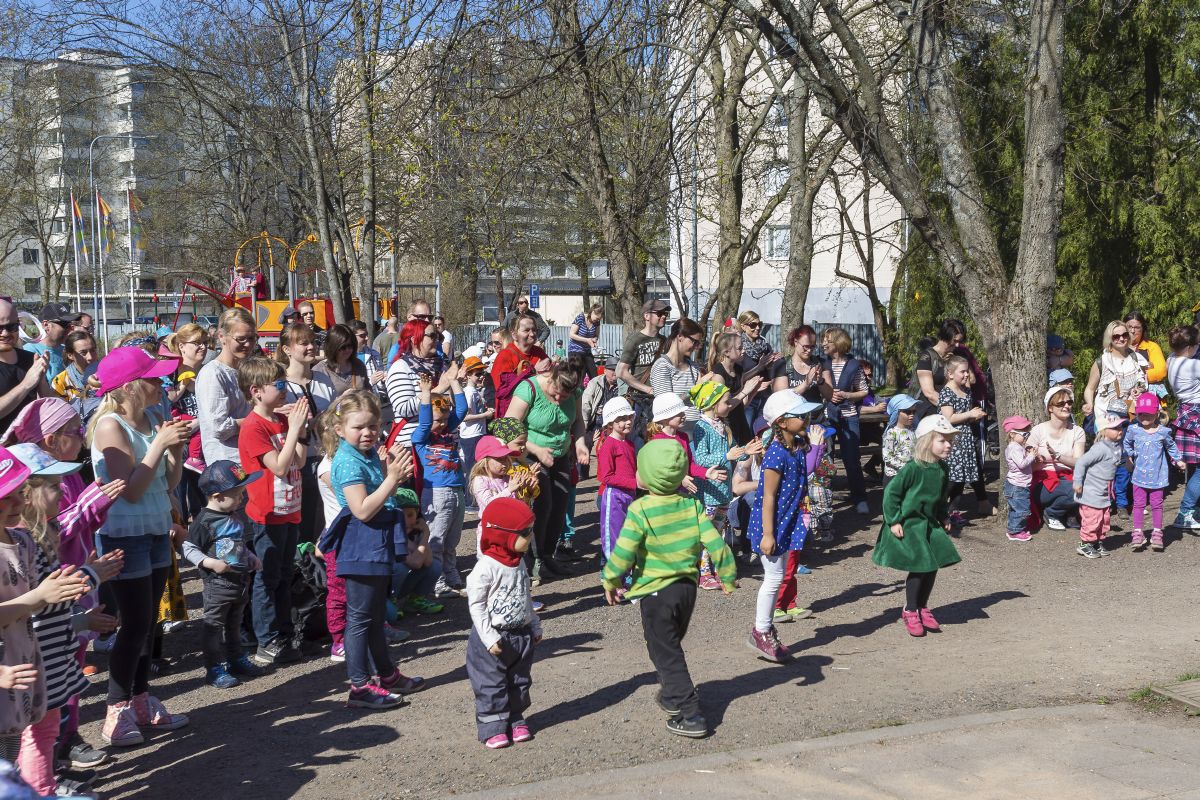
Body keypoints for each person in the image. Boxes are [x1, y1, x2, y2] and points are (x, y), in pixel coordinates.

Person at [88, 347, 191, 747]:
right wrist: (158, 444)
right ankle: (115, 712)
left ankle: (142, 700)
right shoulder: (109, 427)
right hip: (124, 534)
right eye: (153, 378)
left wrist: (175, 450)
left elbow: (166, 483)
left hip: (154, 529)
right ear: (129, 387)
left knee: (149, 624)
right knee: (131, 626)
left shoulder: (152, 418)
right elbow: (129, 492)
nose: (161, 384)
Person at [601, 438, 736, 739]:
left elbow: (623, 551)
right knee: (665, 645)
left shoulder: (640, 509)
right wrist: (727, 576)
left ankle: (690, 713)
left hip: (656, 593)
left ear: (647, 476)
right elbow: (716, 543)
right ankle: (672, 695)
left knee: (667, 653)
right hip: (686, 591)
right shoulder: (692, 506)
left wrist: (610, 579)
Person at [11, 444, 120, 798]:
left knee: (45, 731)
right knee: (37, 733)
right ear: (26, 495)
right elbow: (38, 603)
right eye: (55, 486)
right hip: (34, 663)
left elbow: (44, 613)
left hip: (49, 659)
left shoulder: (34, 539)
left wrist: (81, 622)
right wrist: (91, 574)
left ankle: (46, 783)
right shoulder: (21, 545)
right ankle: (40, 790)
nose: (63, 493)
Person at [320, 390, 426, 709]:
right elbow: (362, 509)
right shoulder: (347, 461)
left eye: (372, 426)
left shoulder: (364, 455)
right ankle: (360, 686)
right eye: (358, 427)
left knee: (375, 615)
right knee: (360, 619)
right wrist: (392, 478)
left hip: (374, 542)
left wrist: (388, 470)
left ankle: (387, 675)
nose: (367, 432)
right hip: (360, 544)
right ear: (339, 429)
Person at [0, 447, 93, 767]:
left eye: (17, 492)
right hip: (6, 675)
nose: (17, 503)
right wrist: (38, 597)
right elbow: (36, 600)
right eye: (5, 497)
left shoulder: (21, 542)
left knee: (11, 759)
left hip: (23, 673)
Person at [237, 356, 307, 666]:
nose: (284, 390)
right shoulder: (253, 427)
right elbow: (279, 466)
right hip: (266, 513)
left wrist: (299, 428)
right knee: (266, 579)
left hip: (289, 509)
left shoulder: (281, 420)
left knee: (284, 575)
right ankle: (266, 641)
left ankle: (285, 634)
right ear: (256, 391)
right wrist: (292, 430)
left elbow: (299, 460)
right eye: (277, 385)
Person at [746, 391, 823, 662]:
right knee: (774, 578)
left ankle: (764, 628)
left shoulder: (797, 446)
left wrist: (817, 447)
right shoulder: (776, 454)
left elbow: (808, 472)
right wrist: (768, 534)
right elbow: (767, 497)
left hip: (787, 520)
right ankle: (761, 630)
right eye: (798, 415)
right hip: (772, 524)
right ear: (781, 422)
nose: (806, 418)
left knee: (777, 576)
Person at [874, 414, 962, 638]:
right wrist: (893, 520)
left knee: (932, 565)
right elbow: (892, 494)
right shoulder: (913, 468)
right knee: (921, 564)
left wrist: (944, 517)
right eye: (942, 440)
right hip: (910, 523)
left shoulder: (942, 469)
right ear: (926, 441)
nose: (948, 445)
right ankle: (910, 609)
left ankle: (923, 606)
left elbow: (941, 498)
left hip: (929, 523)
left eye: (950, 441)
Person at [181, 461, 267, 688]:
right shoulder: (204, 521)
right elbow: (188, 548)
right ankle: (213, 668)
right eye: (237, 494)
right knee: (213, 626)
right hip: (218, 584)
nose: (242, 498)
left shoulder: (233, 515)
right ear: (217, 496)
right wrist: (210, 562)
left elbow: (235, 542)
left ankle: (236, 659)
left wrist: (249, 556)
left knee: (234, 624)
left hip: (240, 582)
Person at [465, 498, 541, 749]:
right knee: (491, 682)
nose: (530, 536)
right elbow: (476, 605)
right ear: (503, 534)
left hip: (520, 634)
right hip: (494, 637)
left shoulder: (518, 563)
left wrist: (535, 625)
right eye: (525, 532)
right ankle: (493, 726)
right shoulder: (485, 568)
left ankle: (515, 716)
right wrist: (488, 637)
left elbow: (525, 595)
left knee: (519, 679)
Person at [504, 362, 586, 583]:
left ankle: (548, 555)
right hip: (530, 454)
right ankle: (534, 560)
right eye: (557, 393)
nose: (560, 400)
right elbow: (508, 426)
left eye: (565, 396)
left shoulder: (574, 391)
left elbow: (578, 421)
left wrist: (579, 444)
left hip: (559, 456)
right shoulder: (529, 389)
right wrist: (536, 449)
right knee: (542, 505)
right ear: (551, 377)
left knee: (561, 506)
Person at [690, 382, 760, 592]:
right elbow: (700, 458)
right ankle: (704, 574)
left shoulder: (722, 425)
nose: (729, 405)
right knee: (708, 535)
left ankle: (718, 571)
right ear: (711, 403)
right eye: (725, 402)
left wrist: (747, 450)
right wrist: (725, 456)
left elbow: (733, 452)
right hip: (709, 490)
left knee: (719, 533)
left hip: (722, 491)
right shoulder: (702, 427)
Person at [1083, 319, 1147, 518]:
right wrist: (1089, 404)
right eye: (1116, 336)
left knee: (1127, 458)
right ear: (1109, 339)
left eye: (1124, 335)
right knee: (1108, 459)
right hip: (1105, 415)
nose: (1121, 339)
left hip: (1130, 414)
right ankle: (1106, 503)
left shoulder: (1136, 359)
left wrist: (1139, 389)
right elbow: (1090, 388)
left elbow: (1144, 384)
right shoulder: (1102, 361)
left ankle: (1122, 502)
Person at [413, 365, 468, 598]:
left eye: (445, 418)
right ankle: (436, 583)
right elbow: (426, 423)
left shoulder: (446, 432)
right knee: (436, 539)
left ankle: (451, 573)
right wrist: (426, 394)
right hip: (436, 492)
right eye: (439, 419)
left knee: (453, 539)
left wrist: (454, 382)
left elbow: (462, 410)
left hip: (456, 490)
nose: (443, 423)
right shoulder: (421, 437)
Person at [1124, 392, 1184, 552]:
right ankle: (1138, 532)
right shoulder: (1133, 430)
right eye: (1140, 413)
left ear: (1156, 413)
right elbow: (1126, 444)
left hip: (1159, 476)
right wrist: (1129, 458)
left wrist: (1177, 459)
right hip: (1139, 476)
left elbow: (1171, 446)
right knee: (1138, 504)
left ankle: (1157, 532)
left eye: (1148, 414)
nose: (1144, 417)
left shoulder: (1163, 432)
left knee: (1157, 505)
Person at [195, 307, 256, 465]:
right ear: (222, 337)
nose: (248, 344)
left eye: (252, 338)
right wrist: (260, 418)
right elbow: (219, 427)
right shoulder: (213, 373)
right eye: (241, 339)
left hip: (251, 457)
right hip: (229, 464)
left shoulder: (246, 369)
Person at [820, 326, 871, 514]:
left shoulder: (853, 365)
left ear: (839, 343)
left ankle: (860, 498)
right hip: (827, 418)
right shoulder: (821, 363)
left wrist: (848, 395)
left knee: (852, 459)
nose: (823, 343)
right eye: (823, 340)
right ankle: (824, 499)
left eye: (828, 340)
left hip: (849, 417)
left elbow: (864, 390)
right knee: (825, 460)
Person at [163, 323, 208, 519]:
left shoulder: (209, 372)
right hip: (178, 446)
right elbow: (164, 404)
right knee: (179, 500)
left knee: (203, 500)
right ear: (182, 346)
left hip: (204, 446)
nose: (203, 347)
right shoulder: (170, 373)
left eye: (205, 342)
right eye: (197, 343)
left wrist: (199, 422)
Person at [938, 355, 988, 527]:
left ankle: (953, 511)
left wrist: (975, 416)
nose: (967, 375)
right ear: (950, 374)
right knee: (952, 479)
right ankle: (938, 510)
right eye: (963, 371)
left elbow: (964, 416)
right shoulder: (947, 392)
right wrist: (970, 414)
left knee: (961, 479)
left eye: (968, 371)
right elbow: (949, 418)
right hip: (952, 440)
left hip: (965, 437)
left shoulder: (966, 390)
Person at [1028, 386, 1086, 531]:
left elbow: (1079, 462)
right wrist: (1036, 460)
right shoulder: (1038, 431)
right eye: (1060, 404)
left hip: (1068, 478)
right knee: (1080, 490)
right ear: (1050, 408)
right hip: (1042, 481)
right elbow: (1024, 463)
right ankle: (1053, 513)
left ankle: (1060, 511)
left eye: (1069, 402)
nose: (1066, 406)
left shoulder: (1077, 431)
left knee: (1093, 485)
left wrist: (1058, 457)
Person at [1073, 408, 1129, 558]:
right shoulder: (1099, 448)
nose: (1120, 431)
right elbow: (1081, 462)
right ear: (1103, 431)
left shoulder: (1117, 446)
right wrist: (1077, 482)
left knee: (1104, 518)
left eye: (1121, 427)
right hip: (1092, 491)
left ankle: (1097, 541)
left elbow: (1119, 461)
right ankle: (1085, 543)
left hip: (1104, 491)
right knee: (1092, 518)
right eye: (1115, 428)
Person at [386, 319, 445, 450]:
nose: (437, 339)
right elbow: (404, 408)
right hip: (412, 445)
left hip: (441, 441)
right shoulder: (401, 368)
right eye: (432, 335)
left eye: (438, 336)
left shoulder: (440, 366)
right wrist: (438, 390)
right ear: (414, 339)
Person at [616, 299, 668, 445]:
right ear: (646, 316)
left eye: (665, 313)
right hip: (640, 401)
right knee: (638, 443)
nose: (663, 316)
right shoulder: (635, 339)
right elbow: (621, 371)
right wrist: (647, 389)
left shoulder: (665, 341)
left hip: (660, 400)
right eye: (659, 313)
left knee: (658, 443)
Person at [0, 298, 53, 437]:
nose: (5, 334)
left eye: (11, 326)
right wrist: (26, 384)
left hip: (28, 449)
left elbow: (51, 406)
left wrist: (41, 382)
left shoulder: (30, 359)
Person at [595, 397, 636, 569]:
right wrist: (634, 483)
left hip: (629, 496)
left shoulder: (629, 443)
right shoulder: (608, 445)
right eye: (622, 419)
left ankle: (625, 579)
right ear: (611, 422)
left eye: (629, 418)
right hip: (614, 496)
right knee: (613, 538)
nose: (627, 422)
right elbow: (606, 476)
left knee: (628, 538)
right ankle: (611, 581)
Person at [1166, 325, 1200, 530]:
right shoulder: (1193, 366)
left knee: (1195, 466)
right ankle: (1185, 512)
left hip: (1185, 412)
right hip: (1197, 413)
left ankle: (1193, 509)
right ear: (1188, 347)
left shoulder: (1171, 360)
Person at [708, 332, 766, 446]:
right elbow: (721, 411)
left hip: (741, 423)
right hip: (726, 428)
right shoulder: (718, 375)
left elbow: (741, 405)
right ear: (727, 352)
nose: (743, 351)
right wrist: (745, 391)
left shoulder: (738, 369)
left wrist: (753, 391)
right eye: (739, 348)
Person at [650, 319, 705, 433]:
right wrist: (694, 390)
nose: (696, 347)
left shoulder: (693, 366)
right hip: (676, 435)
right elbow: (665, 407)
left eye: (698, 343)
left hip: (698, 430)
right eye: (694, 342)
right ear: (680, 337)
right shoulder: (662, 366)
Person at [489, 314, 549, 418]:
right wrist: (533, 371)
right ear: (514, 335)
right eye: (526, 330)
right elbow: (504, 392)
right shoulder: (505, 356)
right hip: (512, 416)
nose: (532, 334)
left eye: (534, 330)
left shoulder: (539, 352)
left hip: (537, 413)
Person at [459, 357, 493, 513]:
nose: (481, 376)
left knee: (478, 468)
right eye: (477, 373)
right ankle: (469, 501)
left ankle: (475, 499)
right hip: (471, 436)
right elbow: (464, 417)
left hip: (479, 433)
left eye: (482, 373)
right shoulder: (468, 392)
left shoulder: (475, 392)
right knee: (473, 469)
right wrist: (485, 415)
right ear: (468, 375)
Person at [911, 320, 962, 421]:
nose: (957, 345)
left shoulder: (954, 356)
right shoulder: (927, 357)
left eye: (959, 341)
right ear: (946, 336)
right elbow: (929, 393)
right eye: (955, 341)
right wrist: (951, 408)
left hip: (948, 412)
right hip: (928, 412)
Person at [25, 303, 82, 382]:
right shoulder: (28, 352)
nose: (69, 329)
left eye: (70, 325)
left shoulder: (68, 352)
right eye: (64, 324)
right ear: (46, 325)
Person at [314, 324, 372, 399]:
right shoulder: (320, 371)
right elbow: (320, 406)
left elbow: (368, 389)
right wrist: (342, 399)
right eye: (343, 347)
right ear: (333, 347)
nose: (347, 350)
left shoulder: (358, 365)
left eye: (350, 346)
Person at [50, 332, 99, 420]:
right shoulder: (61, 381)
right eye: (83, 353)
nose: (90, 357)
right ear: (70, 355)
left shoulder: (108, 373)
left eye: (93, 350)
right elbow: (59, 416)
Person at [773, 325, 826, 404]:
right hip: (791, 415)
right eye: (806, 346)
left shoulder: (819, 363)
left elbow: (829, 396)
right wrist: (806, 384)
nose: (809, 350)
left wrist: (821, 381)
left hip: (815, 415)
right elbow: (782, 399)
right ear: (796, 342)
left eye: (812, 347)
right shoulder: (782, 364)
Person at [1002, 416, 1036, 542]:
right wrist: (1031, 456)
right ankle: (1015, 532)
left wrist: (1028, 452)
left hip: (1019, 484)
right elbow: (1022, 464)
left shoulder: (1017, 447)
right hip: (1017, 485)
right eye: (1024, 434)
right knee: (1021, 509)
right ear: (1012, 434)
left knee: (1016, 509)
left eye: (1028, 434)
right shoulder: (1014, 448)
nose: (1026, 437)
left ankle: (1014, 528)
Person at [1125, 312, 1167, 397]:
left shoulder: (1152, 347)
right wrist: (1146, 369)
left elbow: (1161, 373)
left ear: (1143, 328)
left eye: (1137, 327)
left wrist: (1129, 376)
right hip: (1123, 399)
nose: (1133, 331)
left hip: (1148, 400)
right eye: (1129, 327)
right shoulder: (1117, 348)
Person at [882, 394, 919, 487]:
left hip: (910, 476)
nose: (911, 415)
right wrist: (906, 468)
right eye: (907, 412)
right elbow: (887, 456)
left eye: (914, 412)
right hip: (894, 477)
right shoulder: (892, 433)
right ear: (896, 413)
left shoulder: (913, 431)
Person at [568, 304, 603, 378]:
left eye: (599, 319)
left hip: (587, 352)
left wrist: (594, 340)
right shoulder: (580, 318)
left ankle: (595, 389)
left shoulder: (596, 322)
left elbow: (596, 336)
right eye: (597, 318)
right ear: (592, 312)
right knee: (579, 376)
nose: (597, 320)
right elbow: (571, 334)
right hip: (575, 351)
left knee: (594, 375)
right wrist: (587, 340)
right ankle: (577, 389)